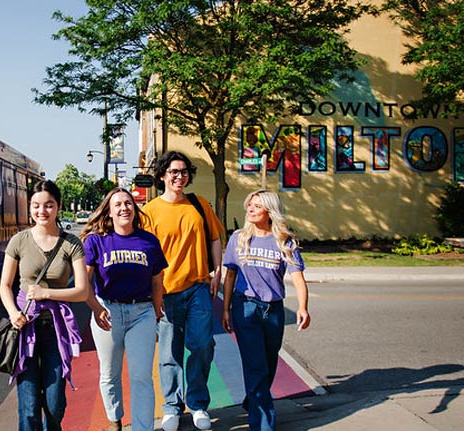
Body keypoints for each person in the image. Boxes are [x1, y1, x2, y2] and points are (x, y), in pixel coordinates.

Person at [142, 151, 225, 431]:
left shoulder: (198, 205)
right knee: (168, 353)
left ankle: (199, 404)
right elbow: (145, 253)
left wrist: (218, 273)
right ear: (162, 175)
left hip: (198, 287)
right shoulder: (150, 211)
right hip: (164, 292)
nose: (180, 176)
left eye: (184, 171)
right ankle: (172, 407)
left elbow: (215, 237)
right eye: (174, 171)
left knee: (203, 345)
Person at [0, 179, 90, 431]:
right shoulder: (19, 240)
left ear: (58, 206)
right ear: (29, 207)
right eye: (36, 205)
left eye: (48, 205)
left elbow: (82, 291)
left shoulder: (71, 243)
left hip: (55, 329)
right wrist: (13, 313)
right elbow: (5, 286)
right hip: (25, 327)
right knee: (28, 408)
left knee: (54, 404)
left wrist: (46, 293)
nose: (42, 211)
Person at [221, 189, 311, 431]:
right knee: (256, 367)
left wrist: (303, 307)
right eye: (249, 204)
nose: (250, 209)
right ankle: (262, 425)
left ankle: (253, 400)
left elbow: (298, 278)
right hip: (245, 308)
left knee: (269, 365)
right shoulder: (238, 238)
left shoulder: (284, 241)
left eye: (257, 206)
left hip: (273, 311)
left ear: (269, 212)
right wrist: (226, 309)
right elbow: (229, 275)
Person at [80, 188, 167, 431]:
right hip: (107, 311)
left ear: (135, 208)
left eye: (128, 203)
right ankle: (115, 419)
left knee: (142, 377)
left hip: (141, 312)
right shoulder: (96, 241)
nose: (124, 208)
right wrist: (96, 308)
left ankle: (142, 428)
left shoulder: (148, 240)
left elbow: (157, 280)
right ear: (109, 211)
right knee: (109, 374)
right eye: (117, 204)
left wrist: (157, 311)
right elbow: (84, 283)